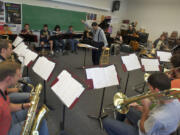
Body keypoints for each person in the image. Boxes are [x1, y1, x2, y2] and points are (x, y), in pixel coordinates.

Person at [103, 72, 180, 135]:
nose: (149, 90)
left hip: (144, 131)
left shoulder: (158, 117)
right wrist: (141, 108)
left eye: (149, 87)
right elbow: (154, 113)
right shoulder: (175, 100)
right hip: (152, 123)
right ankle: (118, 127)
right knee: (125, 106)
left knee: (106, 121)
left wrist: (146, 109)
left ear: (156, 90)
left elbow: (144, 130)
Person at [0, 61, 49, 135]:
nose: (20, 76)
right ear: (8, 79)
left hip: (9, 119)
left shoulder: (2, 90)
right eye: (18, 75)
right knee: (40, 122)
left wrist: (23, 106)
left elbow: (8, 106)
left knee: (38, 116)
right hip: (7, 131)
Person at [0, 39, 30, 103]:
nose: (12, 51)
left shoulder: (4, 60)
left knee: (27, 79)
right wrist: (13, 89)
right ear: (3, 50)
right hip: (4, 95)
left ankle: (23, 100)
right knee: (30, 96)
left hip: (8, 86)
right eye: (10, 49)